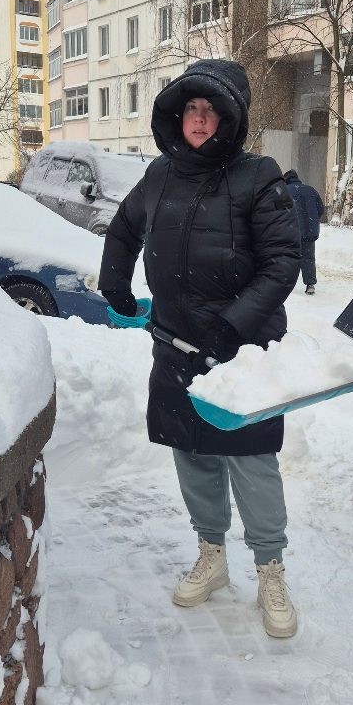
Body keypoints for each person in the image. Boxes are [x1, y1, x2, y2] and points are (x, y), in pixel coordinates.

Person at [98, 59, 302, 639]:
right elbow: (123, 228)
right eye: (191, 108)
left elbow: (282, 262)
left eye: (211, 110)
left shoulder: (259, 176)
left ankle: (269, 568)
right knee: (192, 452)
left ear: (230, 119)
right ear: (177, 114)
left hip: (242, 352)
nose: (199, 119)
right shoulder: (159, 176)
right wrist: (115, 281)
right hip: (175, 344)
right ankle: (211, 554)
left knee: (251, 459)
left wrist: (232, 326)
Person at [283, 169, 325, 294]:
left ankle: (285, 283)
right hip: (309, 231)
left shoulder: (284, 191)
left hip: (291, 231)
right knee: (308, 258)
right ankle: (310, 284)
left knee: (288, 257)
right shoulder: (311, 190)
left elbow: (277, 211)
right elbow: (321, 209)